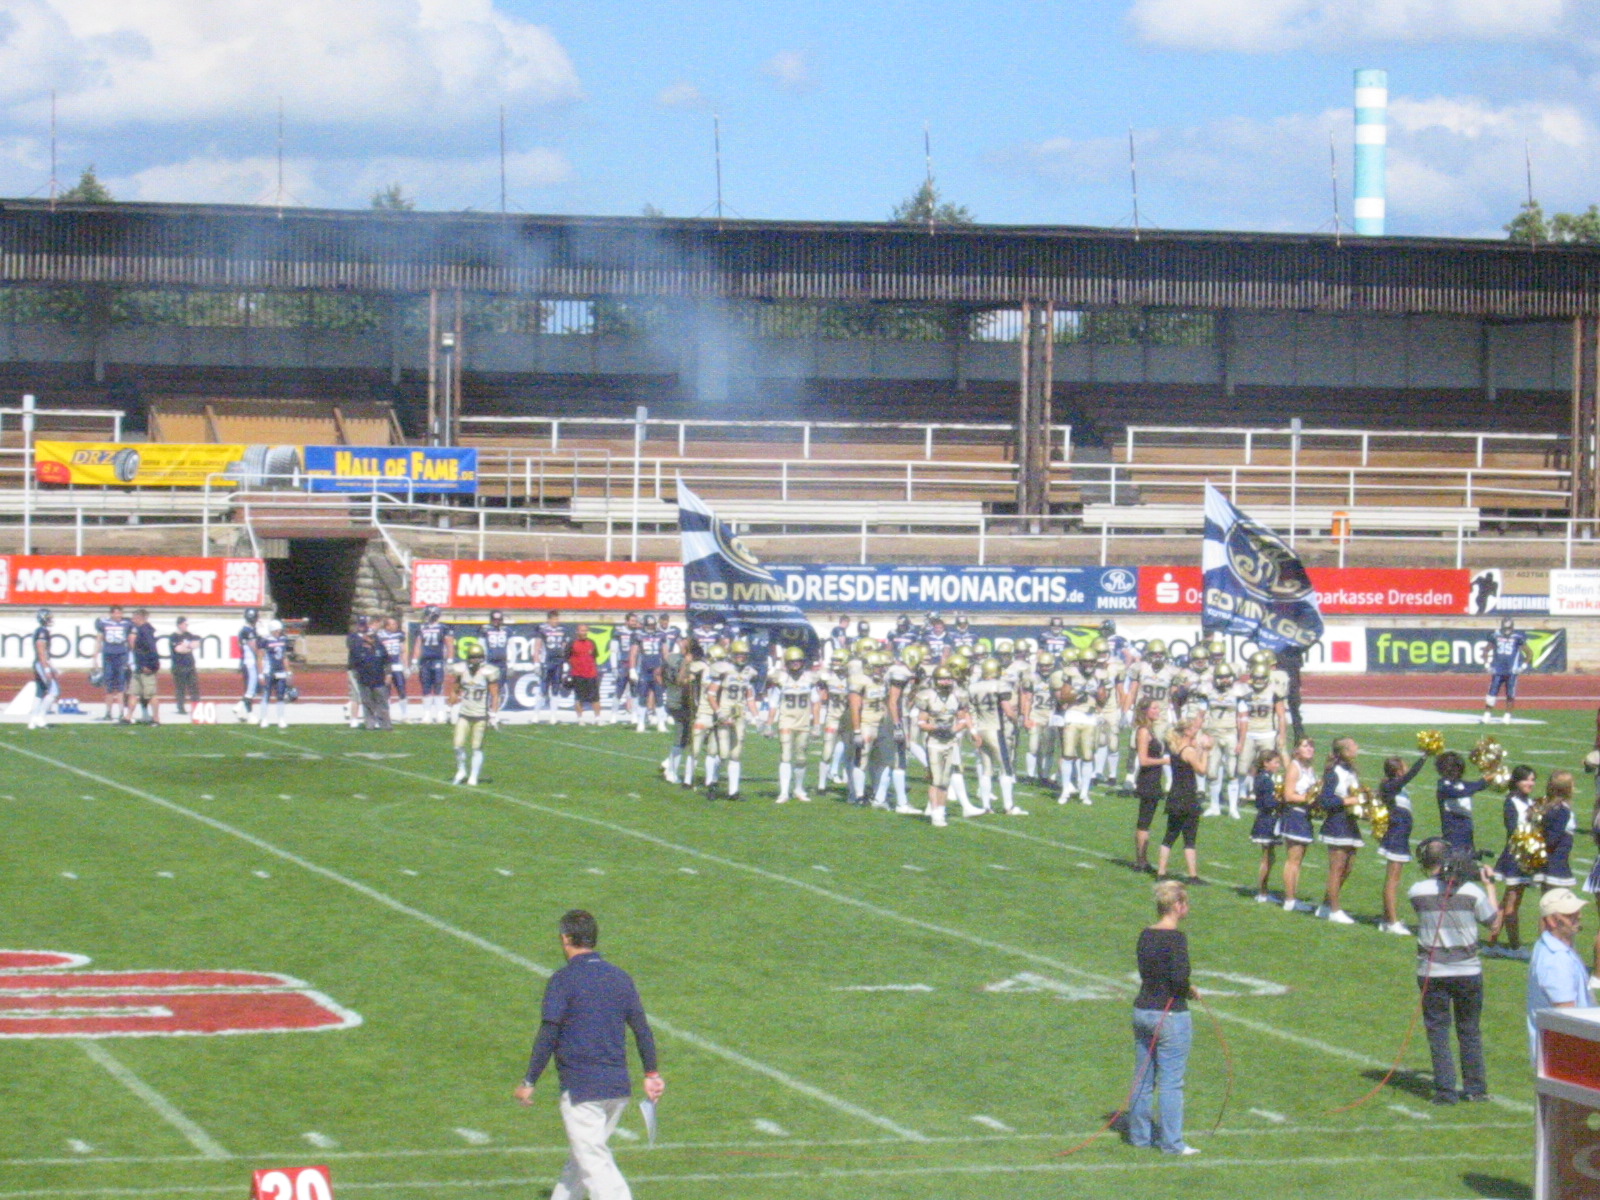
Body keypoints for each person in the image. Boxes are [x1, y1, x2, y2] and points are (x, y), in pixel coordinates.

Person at [514, 910, 664, 1200]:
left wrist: (529, 1080)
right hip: (617, 1089)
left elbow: (549, 1033)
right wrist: (652, 1073)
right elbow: (642, 1029)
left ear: (565, 938)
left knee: (594, 1163)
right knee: (581, 1160)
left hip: (583, 1090)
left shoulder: (563, 979)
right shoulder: (620, 977)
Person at [1408, 837, 1500, 1104]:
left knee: (1438, 1031)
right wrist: (1489, 885)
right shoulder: (1473, 892)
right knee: (1469, 1029)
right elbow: (1494, 924)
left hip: (1432, 972)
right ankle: (1476, 1088)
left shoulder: (1417, 891)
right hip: (1468, 971)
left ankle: (1445, 1091)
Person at [1128, 880, 1201, 1157]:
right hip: (1169, 1015)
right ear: (1177, 905)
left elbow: (1148, 971)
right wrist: (1189, 991)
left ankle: (1139, 1137)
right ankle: (1172, 1143)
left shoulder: (1145, 935)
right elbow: (1179, 979)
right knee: (1171, 1082)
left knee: (1143, 1078)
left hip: (1143, 1009)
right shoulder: (1176, 939)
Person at [1527, 888, 1595, 1065]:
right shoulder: (1557, 960)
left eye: (1577, 911)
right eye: (1569, 914)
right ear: (1551, 920)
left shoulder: (1550, 946)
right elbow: (1567, 1017)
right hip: (1566, 1058)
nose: (1578, 916)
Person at [1378, 749, 1436, 937]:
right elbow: (1410, 775)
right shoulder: (1391, 786)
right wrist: (1424, 757)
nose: (1407, 767)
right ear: (1398, 771)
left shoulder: (1395, 786)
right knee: (1392, 882)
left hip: (1400, 837)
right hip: (1396, 837)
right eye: (1404, 766)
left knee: (1393, 880)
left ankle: (1387, 919)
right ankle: (1392, 922)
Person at [1487, 765, 1539, 955]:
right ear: (1516, 782)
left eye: (1533, 780)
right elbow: (1512, 829)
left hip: (1527, 854)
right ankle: (1515, 946)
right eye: (1526, 779)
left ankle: (1491, 943)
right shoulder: (1511, 802)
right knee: (1512, 903)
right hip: (1516, 855)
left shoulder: (1530, 801)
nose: (1530, 783)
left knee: (1508, 901)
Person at [1315, 736, 1364, 925]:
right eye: (1353, 745)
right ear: (1344, 751)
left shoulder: (1350, 770)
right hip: (1337, 823)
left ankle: (1326, 906)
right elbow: (1325, 800)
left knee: (1348, 867)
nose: (1357, 747)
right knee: (1337, 868)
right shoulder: (1333, 772)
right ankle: (1335, 910)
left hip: (1350, 822)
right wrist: (1348, 801)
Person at [1157, 715, 1210, 884]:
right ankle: (1192, 875)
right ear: (1187, 731)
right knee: (1189, 838)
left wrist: (1199, 748)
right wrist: (1206, 751)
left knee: (1170, 835)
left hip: (1175, 795)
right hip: (1187, 797)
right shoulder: (1188, 750)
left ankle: (1161, 872)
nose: (1196, 730)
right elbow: (1201, 770)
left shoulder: (1176, 747)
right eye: (1193, 728)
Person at [772, 647, 820, 805]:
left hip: (803, 722)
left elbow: (816, 703)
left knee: (801, 757)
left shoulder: (809, 680)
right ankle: (784, 792)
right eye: (792, 661)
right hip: (786, 720)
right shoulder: (781, 679)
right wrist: (768, 723)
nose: (795, 664)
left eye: (798, 661)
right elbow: (773, 703)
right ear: (786, 663)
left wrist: (816, 724)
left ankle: (799, 789)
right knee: (786, 756)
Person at [450, 643, 501, 785]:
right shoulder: (462, 671)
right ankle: (461, 770)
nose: (475, 660)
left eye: (477, 658)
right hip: (464, 713)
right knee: (458, 745)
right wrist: (450, 706)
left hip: (480, 715)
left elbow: (495, 695)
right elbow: (455, 690)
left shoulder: (488, 673)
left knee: (476, 747)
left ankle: (473, 776)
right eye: (472, 657)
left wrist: (493, 714)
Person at [1279, 736, 1319, 913]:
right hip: (1295, 815)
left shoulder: (1309, 768)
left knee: (1298, 860)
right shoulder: (1294, 767)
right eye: (1305, 746)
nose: (1310, 749)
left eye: (1311, 746)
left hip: (1305, 815)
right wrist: (1310, 799)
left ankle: (1293, 897)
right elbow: (1288, 795)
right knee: (1293, 860)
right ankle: (1289, 900)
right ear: (1297, 750)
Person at [1131, 700, 1169, 875]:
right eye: (1154, 708)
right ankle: (1141, 860)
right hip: (1148, 780)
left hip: (1154, 778)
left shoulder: (1150, 729)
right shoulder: (1143, 731)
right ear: (1145, 710)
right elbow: (1143, 760)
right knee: (1144, 822)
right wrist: (1165, 761)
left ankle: (1143, 859)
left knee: (1147, 821)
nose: (1157, 710)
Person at [659, 637, 696, 787]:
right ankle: (671, 772)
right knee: (682, 737)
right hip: (680, 701)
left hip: (672, 698)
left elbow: (658, 673)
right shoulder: (683, 661)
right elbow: (682, 680)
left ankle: (668, 763)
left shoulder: (670, 658)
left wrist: (666, 686)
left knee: (687, 736)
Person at [1436, 750, 1489, 854]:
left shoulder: (1461, 784)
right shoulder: (1443, 785)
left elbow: (1477, 786)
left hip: (1467, 832)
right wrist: (1483, 780)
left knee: (1469, 858)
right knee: (1456, 860)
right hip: (1452, 832)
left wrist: (1491, 775)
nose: (1456, 772)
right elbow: (1459, 792)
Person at [1249, 749, 1284, 903]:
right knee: (1267, 858)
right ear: (1266, 763)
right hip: (1266, 821)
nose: (1278, 765)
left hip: (1267, 819)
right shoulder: (1265, 780)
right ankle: (1262, 892)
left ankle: (1264, 891)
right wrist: (1281, 800)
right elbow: (1267, 803)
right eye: (1275, 762)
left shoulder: (1264, 777)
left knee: (1270, 857)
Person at [1481, 616, 1528, 725]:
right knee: (1491, 694)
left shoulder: (1517, 638)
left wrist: (1523, 666)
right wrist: (1487, 664)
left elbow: (1529, 653)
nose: (1507, 631)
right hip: (1498, 670)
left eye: (1509, 628)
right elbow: (1486, 650)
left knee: (1510, 694)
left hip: (1511, 671)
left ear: (1512, 627)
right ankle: (1487, 715)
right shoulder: (1495, 636)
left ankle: (1507, 716)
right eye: (1505, 628)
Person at [412, 605, 454, 724]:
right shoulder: (422, 627)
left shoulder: (443, 628)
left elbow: (449, 644)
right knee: (426, 687)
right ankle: (427, 713)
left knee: (438, 686)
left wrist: (450, 660)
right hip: (425, 661)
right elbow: (418, 645)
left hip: (437, 660)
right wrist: (414, 660)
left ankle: (440, 713)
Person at [1538, 770, 1578, 890]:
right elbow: (1552, 839)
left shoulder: (1550, 806)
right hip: (1556, 864)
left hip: (1549, 862)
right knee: (1560, 900)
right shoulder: (1562, 810)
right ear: (1567, 789)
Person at [94, 603, 133, 723]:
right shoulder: (104, 623)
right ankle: (108, 712)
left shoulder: (127, 624)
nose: (118, 615)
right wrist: (95, 657)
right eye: (116, 613)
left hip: (121, 656)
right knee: (109, 686)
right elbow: (99, 640)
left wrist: (131, 657)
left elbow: (130, 641)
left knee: (121, 686)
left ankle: (121, 713)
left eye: (120, 613)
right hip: (108, 656)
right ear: (111, 614)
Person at [353, 626, 392, 731]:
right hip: (364, 680)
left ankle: (385, 724)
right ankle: (370, 724)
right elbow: (355, 665)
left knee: (382, 703)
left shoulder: (380, 647)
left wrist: (388, 674)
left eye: (373, 637)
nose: (372, 639)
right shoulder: (358, 648)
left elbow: (387, 662)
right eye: (370, 637)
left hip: (379, 680)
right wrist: (358, 677)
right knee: (367, 703)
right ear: (365, 637)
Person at [128, 608, 162, 725]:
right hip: (139, 667)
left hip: (146, 669)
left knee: (151, 694)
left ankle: (156, 719)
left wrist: (150, 666)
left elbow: (152, 650)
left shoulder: (146, 631)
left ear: (139, 618)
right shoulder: (141, 630)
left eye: (134, 617)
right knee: (133, 692)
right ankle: (128, 717)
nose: (132, 620)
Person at [257, 619, 293, 730]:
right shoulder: (265, 640)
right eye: (277, 630)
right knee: (266, 695)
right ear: (272, 630)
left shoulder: (283, 639)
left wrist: (288, 671)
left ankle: (281, 718)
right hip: (269, 671)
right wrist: (261, 673)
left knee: (281, 696)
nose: (279, 632)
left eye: (279, 630)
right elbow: (260, 658)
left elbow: (284, 657)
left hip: (280, 670)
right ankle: (264, 718)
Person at [566, 624, 602, 726]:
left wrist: (595, 670)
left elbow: (594, 656)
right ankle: (580, 719)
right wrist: (573, 668)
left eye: (586, 631)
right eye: (582, 631)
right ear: (577, 632)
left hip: (591, 674)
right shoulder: (572, 643)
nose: (584, 633)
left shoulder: (591, 642)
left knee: (595, 698)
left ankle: (597, 718)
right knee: (579, 698)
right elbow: (567, 657)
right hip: (578, 674)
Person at [28, 608, 58, 730]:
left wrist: (51, 666)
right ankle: (40, 717)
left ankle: (33, 720)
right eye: (49, 617)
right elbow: (41, 651)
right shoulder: (42, 632)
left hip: (39, 663)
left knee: (40, 692)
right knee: (54, 691)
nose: (51, 619)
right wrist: (46, 669)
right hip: (41, 664)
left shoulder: (40, 630)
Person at [379, 616, 410, 724]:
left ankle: (404, 715)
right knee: (386, 691)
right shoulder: (380, 635)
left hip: (397, 665)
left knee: (401, 689)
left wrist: (406, 666)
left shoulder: (400, 635)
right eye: (392, 624)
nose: (395, 626)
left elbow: (403, 651)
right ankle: (386, 714)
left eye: (395, 624)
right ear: (386, 626)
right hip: (385, 666)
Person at [484, 609, 515, 716]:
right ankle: (485, 712)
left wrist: (511, 665)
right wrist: (482, 664)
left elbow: (512, 648)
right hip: (489, 663)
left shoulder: (507, 630)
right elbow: (482, 646)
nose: (496, 621)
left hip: (502, 663)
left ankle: (494, 715)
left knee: (497, 690)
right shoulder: (485, 630)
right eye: (495, 619)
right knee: (487, 689)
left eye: (498, 619)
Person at [168, 617, 200, 717]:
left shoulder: (189, 635)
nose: (187, 626)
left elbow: (196, 644)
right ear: (179, 624)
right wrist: (189, 647)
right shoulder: (173, 637)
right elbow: (178, 650)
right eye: (185, 624)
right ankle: (181, 707)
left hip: (190, 665)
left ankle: (196, 708)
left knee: (194, 688)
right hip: (179, 666)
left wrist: (187, 646)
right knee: (180, 688)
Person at [236, 606, 261, 722]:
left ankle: (240, 709)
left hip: (247, 662)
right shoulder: (248, 631)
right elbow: (254, 648)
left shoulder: (246, 630)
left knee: (253, 689)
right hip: (250, 663)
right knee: (251, 690)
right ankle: (247, 712)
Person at [344, 614, 368, 730]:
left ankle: (370, 718)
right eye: (360, 624)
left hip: (368, 669)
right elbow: (355, 650)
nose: (362, 627)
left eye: (363, 624)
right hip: (355, 668)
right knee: (356, 694)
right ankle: (354, 718)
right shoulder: (352, 637)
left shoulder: (370, 636)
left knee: (369, 694)